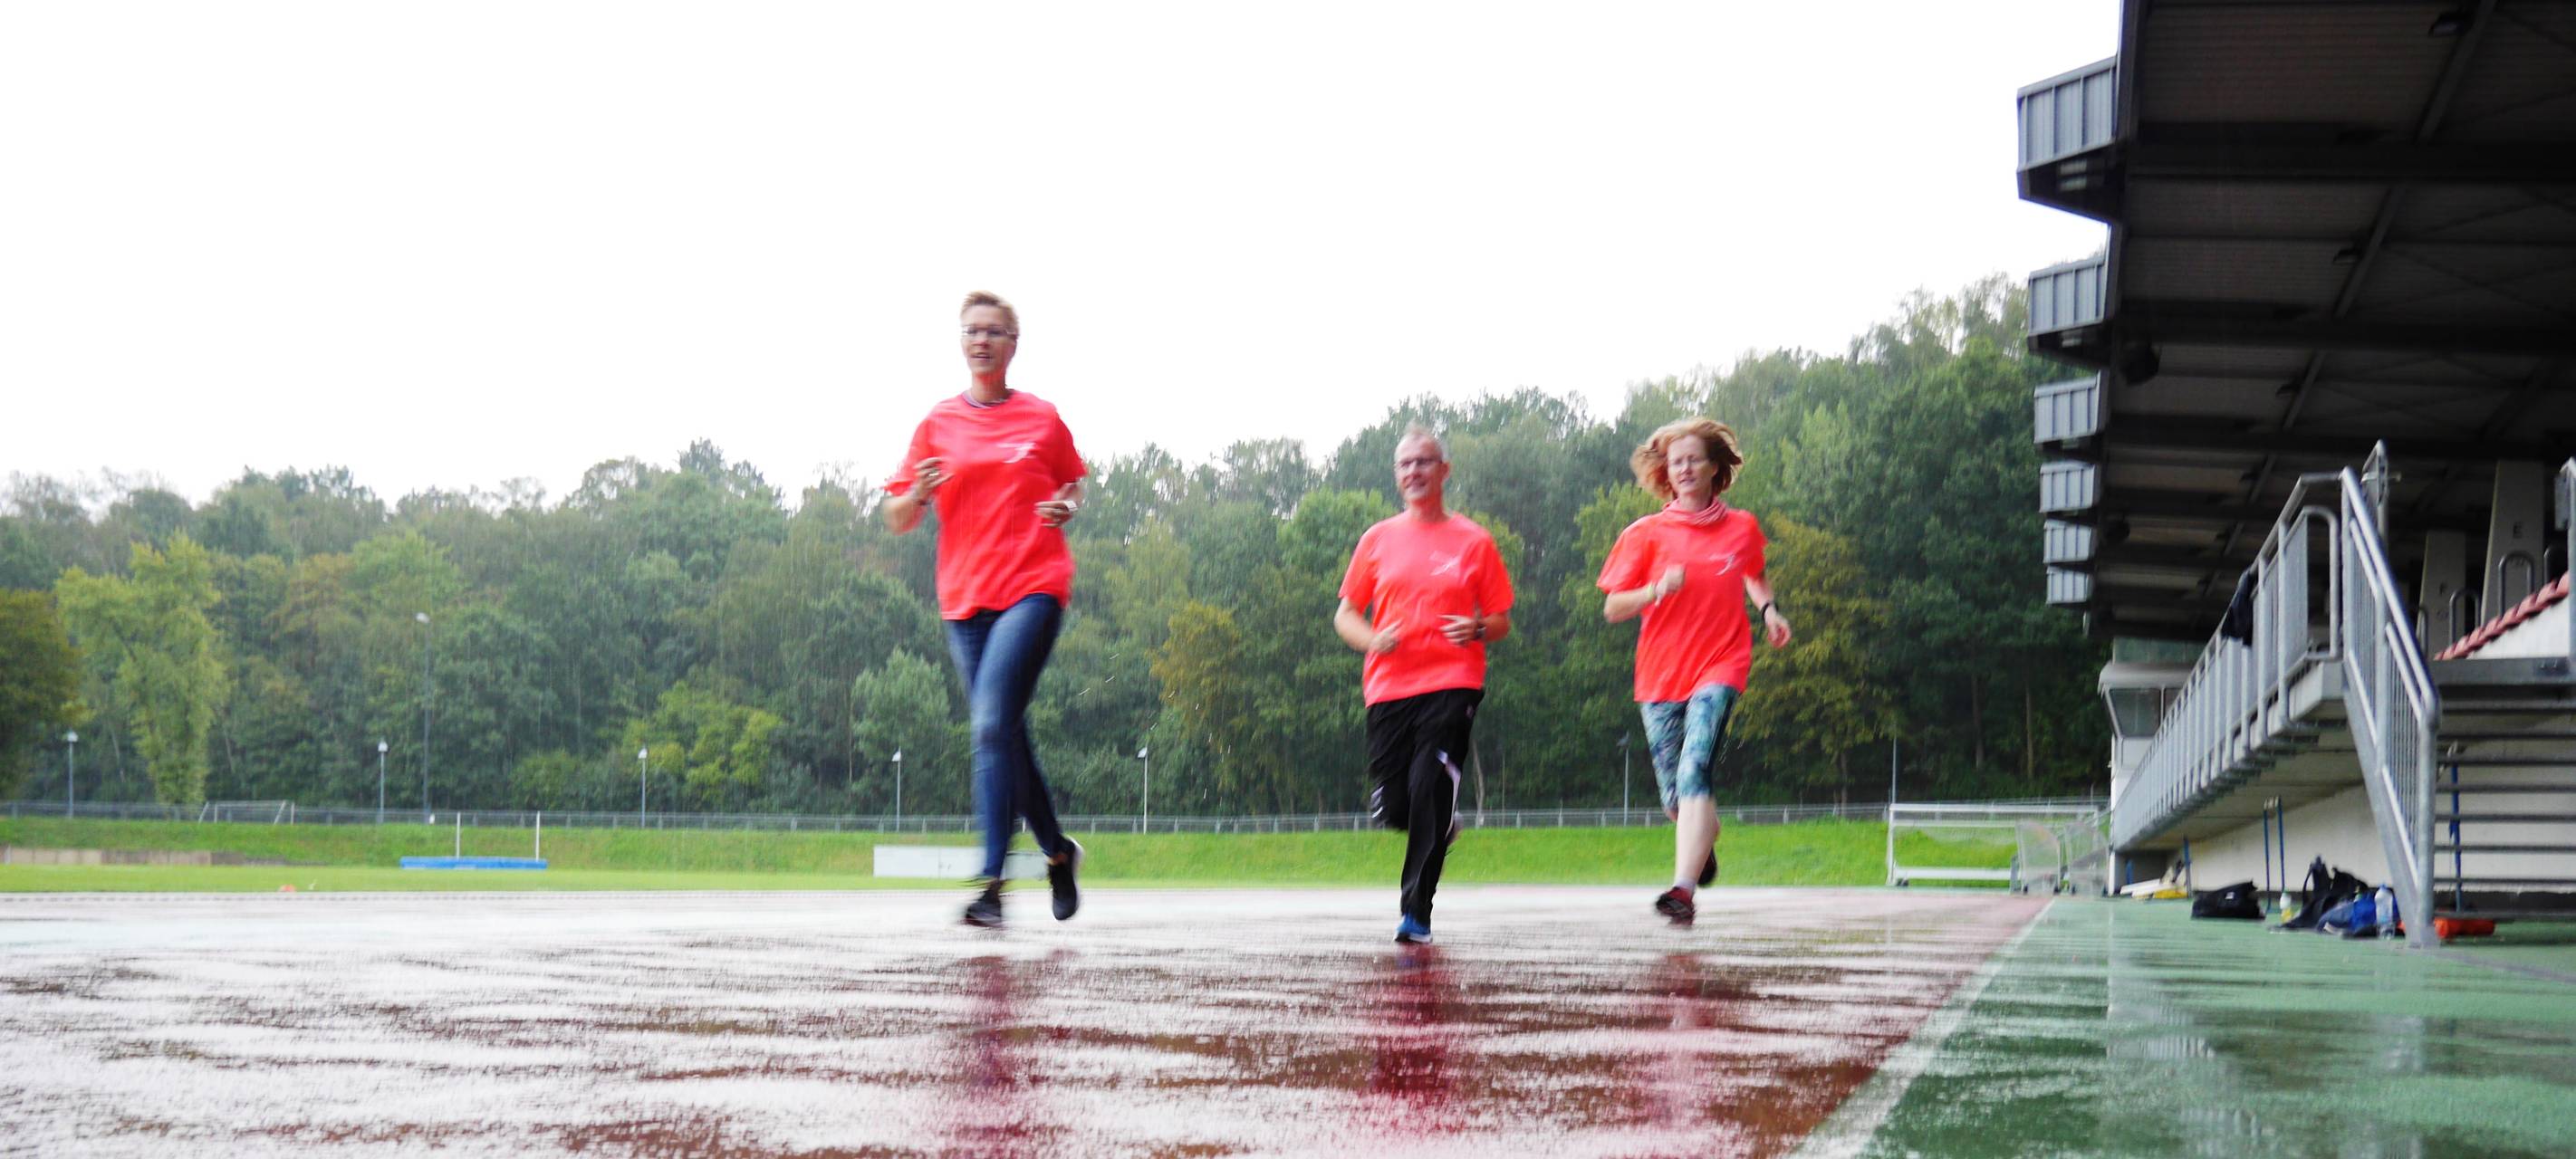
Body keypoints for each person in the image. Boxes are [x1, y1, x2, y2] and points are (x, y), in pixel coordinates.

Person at [883, 291, 1087, 928]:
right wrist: (916, 492)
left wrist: (1068, 505)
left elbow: (1072, 480)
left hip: (1034, 585)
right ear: (961, 341)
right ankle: (1056, 852)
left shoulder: (1042, 419)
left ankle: (992, 883)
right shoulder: (938, 424)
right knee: (1003, 730)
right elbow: (896, 516)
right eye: (973, 331)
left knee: (989, 724)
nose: (983, 341)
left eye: (995, 332)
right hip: (963, 601)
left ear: (1013, 344)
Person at [1597, 417, 1792, 924]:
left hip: (1721, 662)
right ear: (1667, 472)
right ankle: (1701, 836)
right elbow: (1614, 608)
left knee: (1694, 768)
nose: (1684, 468)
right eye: (1675, 461)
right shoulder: (1645, 534)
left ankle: (1682, 889)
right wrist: (1656, 589)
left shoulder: (1741, 527)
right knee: (1675, 798)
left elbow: (1755, 575)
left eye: (1694, 459)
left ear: (1713, 468)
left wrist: (1769, 612)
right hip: (1660, 676)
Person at [1333, 424, 1514, 944]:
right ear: (1397, 475)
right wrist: (1371, 638)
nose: (1414, 471)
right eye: (1405, 464)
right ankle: (1442, 825)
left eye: (1424, 462)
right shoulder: (1378, 539)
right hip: (1388, 687)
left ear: (1444, 470)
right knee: (1396, 809)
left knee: (1428, 790)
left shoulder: (1474, 541)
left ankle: (1416, 911)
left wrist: (1477, 628)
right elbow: (1346, 614)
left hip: (1453, 681)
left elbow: (1500, 618)